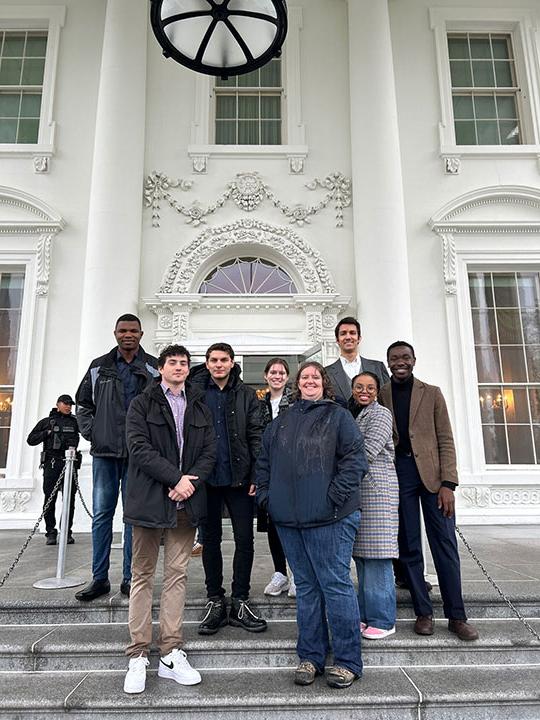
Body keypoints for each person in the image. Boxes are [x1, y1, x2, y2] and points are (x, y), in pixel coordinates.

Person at [256, 361, 367, 689]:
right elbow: (263, 463)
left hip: (331, 518)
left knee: (335, 585)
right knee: (305, 588)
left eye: (315, 377)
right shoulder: (281, 423)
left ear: (324, 383)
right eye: (304, 377)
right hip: (289, 521)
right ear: (296, 384)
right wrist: (268, 498)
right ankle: (311, 656)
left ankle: (347, 661)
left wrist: (332, 497)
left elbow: (355, 461)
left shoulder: (338, 416)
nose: (309, 381)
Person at [122, 344, 216, 694]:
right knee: (142, 575)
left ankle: (171, 651)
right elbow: (138, 447)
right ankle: (138, 654)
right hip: (149, 500)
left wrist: (188, 482)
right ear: (160, 368)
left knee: (177, 575)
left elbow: (209, 451)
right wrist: (174, 479)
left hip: (185, 503)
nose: (179, 367)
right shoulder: (142, 404)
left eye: (183, 363)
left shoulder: (198, 405)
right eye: (172, 362)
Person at [378, 341, 479, 641]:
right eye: (394, 358)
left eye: (405, 357)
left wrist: (449, 483)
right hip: (401, 475)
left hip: (435, 480)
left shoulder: (432, 393)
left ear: (414, 360)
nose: (400, 362)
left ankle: (457, 616)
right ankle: (424, 612)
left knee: (444, 545)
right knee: (409, 546)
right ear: (387, 362)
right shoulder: (381, 394)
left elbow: (446, 439)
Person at [75, 314, 159, 601]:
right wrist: (93, 432)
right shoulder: (99, 367)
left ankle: (129, 577)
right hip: (105, 453)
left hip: (138, 456)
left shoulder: (153, 368)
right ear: (115, 333)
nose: (128, 335)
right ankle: (99, 578)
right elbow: (83, 404)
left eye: (133, 331)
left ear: (141, 333)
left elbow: (161, 408)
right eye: (123, 330)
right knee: (102, 516)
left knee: (132, 519)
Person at [190, 343, 266, 634]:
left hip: (241, 479)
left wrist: (257, 474)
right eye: (213, 360)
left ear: (232, 363)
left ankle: (241, 599)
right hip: (206, 480)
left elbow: (256, 434)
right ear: (207, 363)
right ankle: (215, 599)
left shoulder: (247, 394)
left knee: (245, 540)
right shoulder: (195, 394)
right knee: (209, 540)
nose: (219, 364)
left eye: (224, 360)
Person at [349, 372, 399, 640]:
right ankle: (366, 615)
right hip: (361, 494)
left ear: (377, 391)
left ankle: (383, 618)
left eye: (369, 387)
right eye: (359, 387)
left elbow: (367, 450)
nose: (364, 391)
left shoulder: (380, 414)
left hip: (378, 493)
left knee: (378, 557)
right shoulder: (359, 414)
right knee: (363, 557)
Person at [256, 358, 295, 598]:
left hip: (292, 472)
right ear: (266, 376)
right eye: (273, 372)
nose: (277, 376)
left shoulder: (296, 402)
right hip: (269, 473)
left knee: (293, 523)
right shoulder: (258, 404)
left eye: (281, 372)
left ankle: (296, 575)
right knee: (273, 524)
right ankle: (279, 573)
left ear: (287, 377)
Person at [27, 394, 80, 545]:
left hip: (70, 464)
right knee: (50, 498)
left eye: (70, 404)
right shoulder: (47, 422)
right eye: (66, 403)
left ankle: (66, 532)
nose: (68, 406)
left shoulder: (75, 422)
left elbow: (89, 432)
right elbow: (31, 439)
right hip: (52, 464)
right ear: (58, 404)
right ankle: (51, 531)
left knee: (69, 500)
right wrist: (46, 433)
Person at [325, 316, 389, 405]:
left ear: (359, 338)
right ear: (337, 340)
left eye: (352, 333)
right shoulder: (326, 372)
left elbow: (388, 400)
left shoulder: (378, 367)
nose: (348, 337)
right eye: (343, 333)